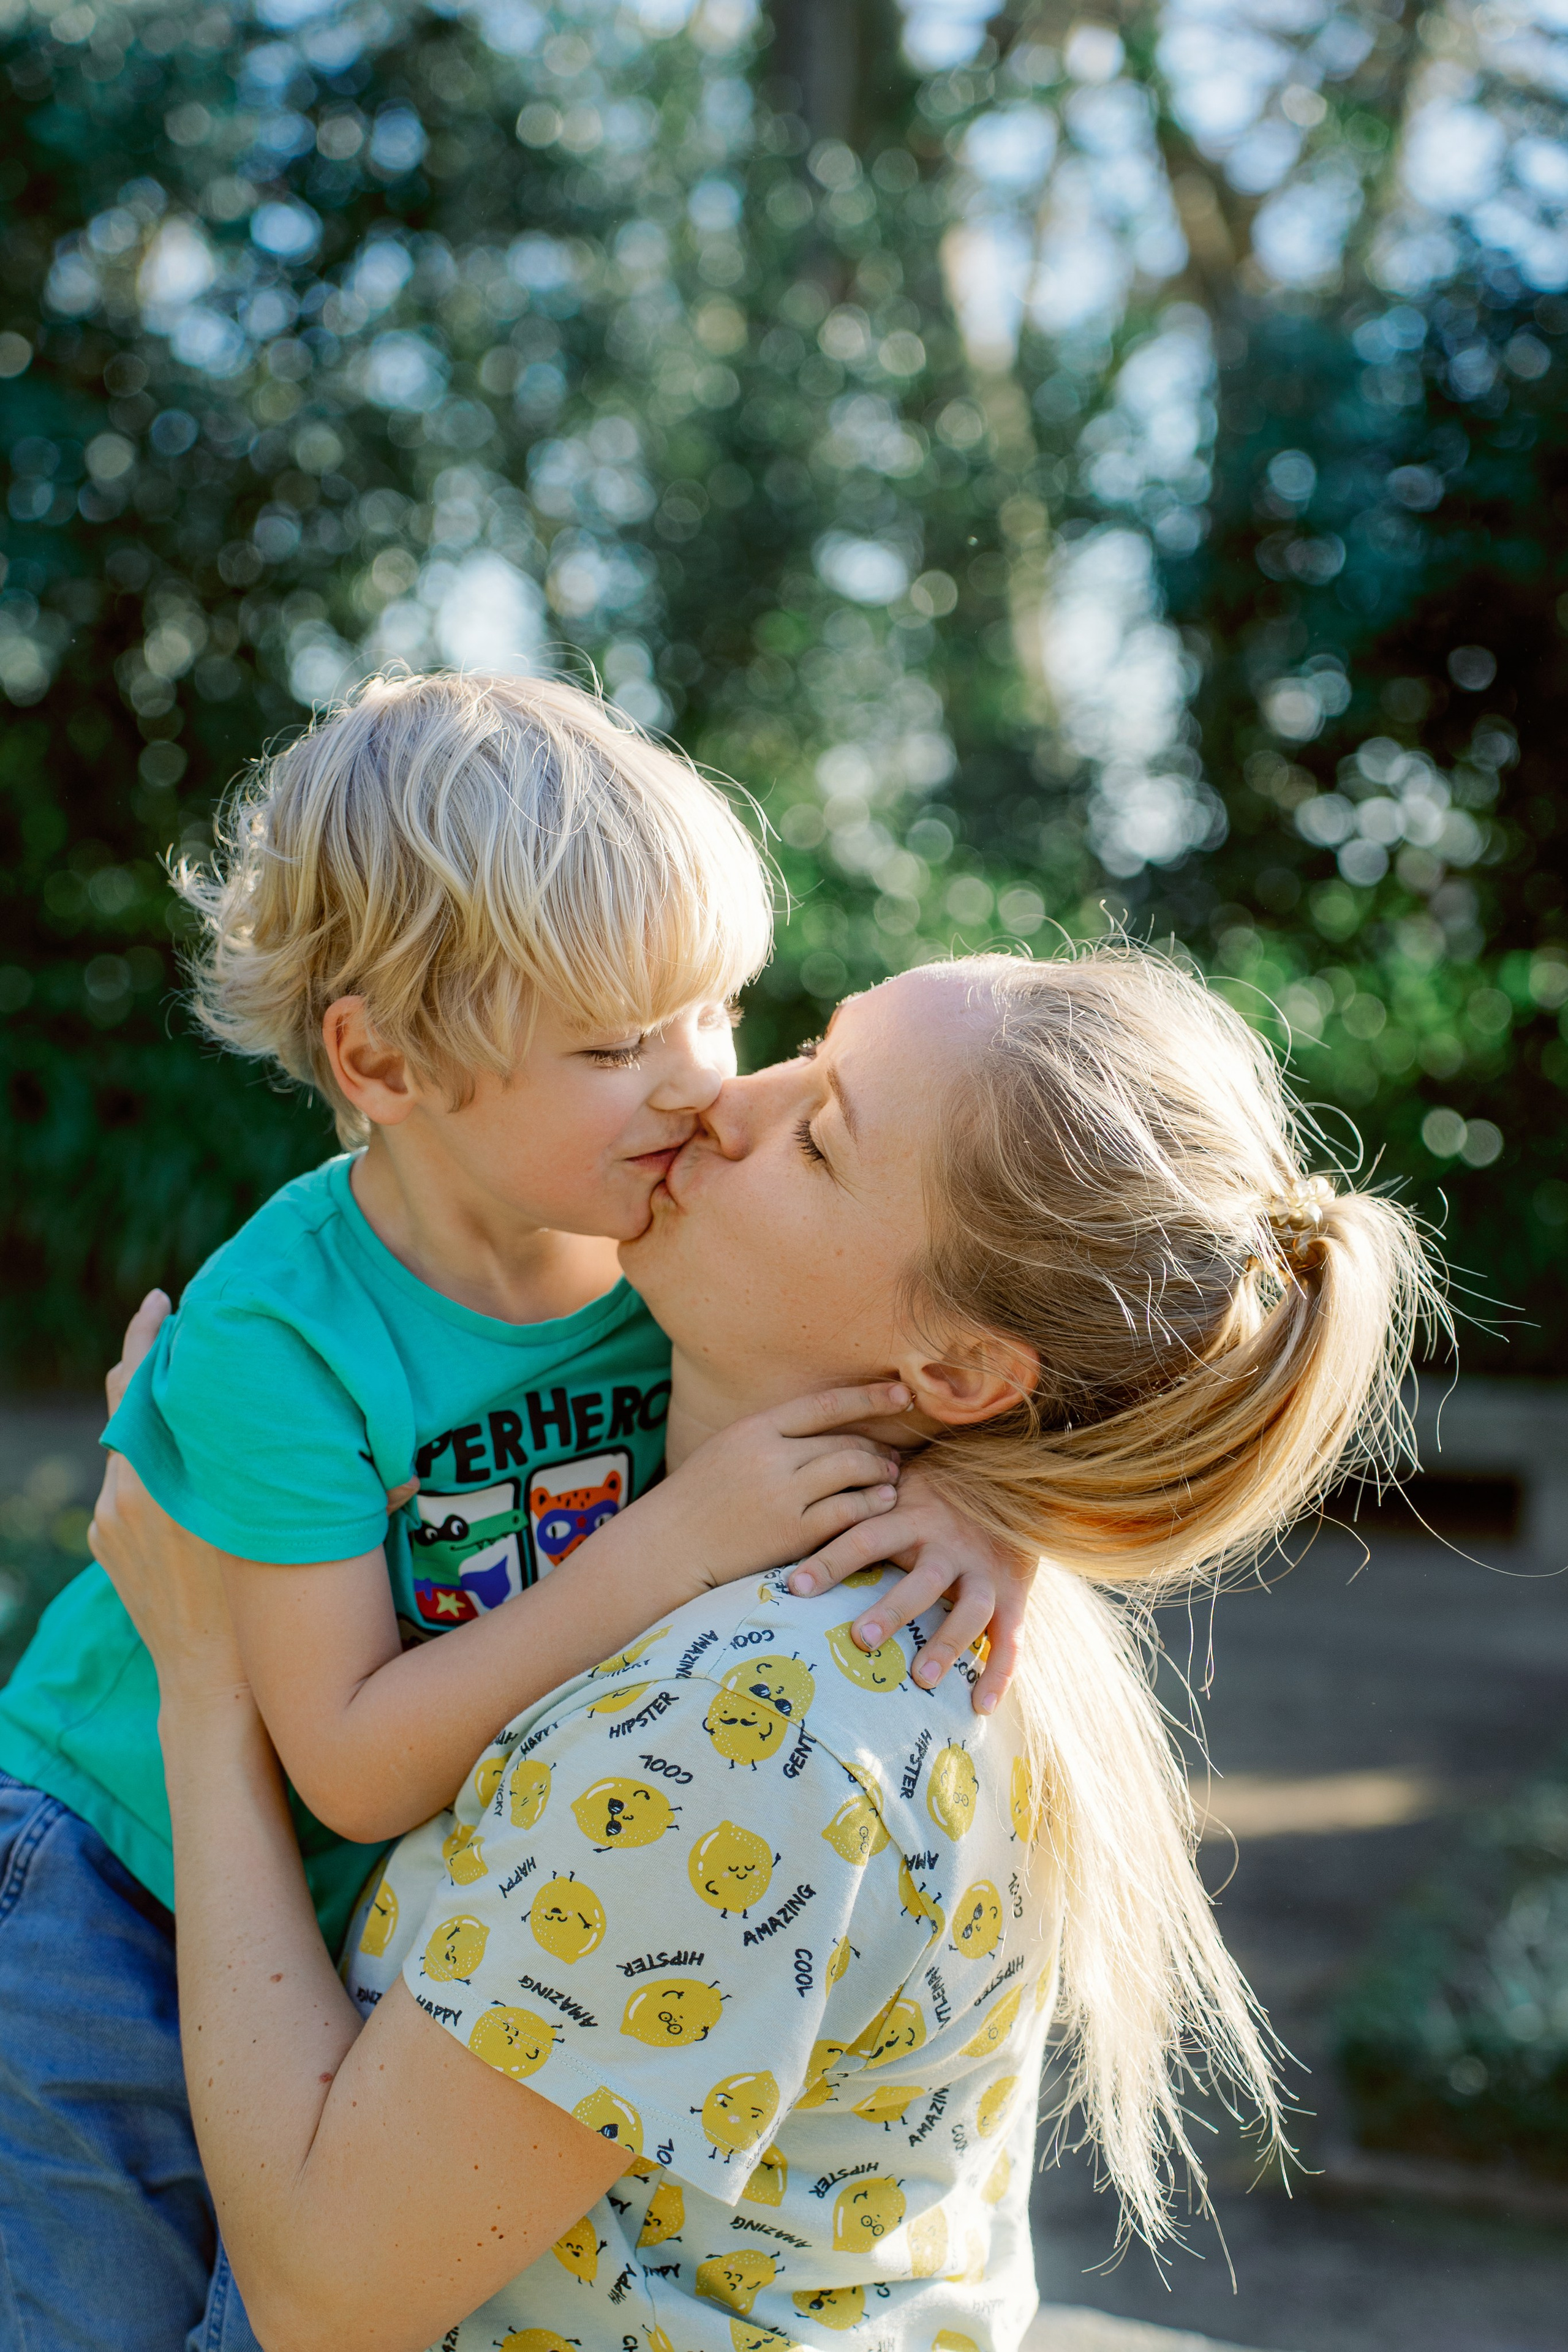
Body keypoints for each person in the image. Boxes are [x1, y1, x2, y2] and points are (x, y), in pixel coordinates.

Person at [89, 944, 1441, 2352]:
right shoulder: (885, 1573)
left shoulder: (745, 1728)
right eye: (801, 1045)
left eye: (818, 1137)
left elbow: (322, 2295)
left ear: (963, 1374)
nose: (722, 1104)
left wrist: (208, 1687)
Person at [0, 673, 1016, 2352]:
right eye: (619, 1045)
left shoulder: (669, 1248)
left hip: (328, 1918)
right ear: (382, 1058)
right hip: (109, 1884)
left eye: (716, 1009)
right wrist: (678, 1546)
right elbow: (348, 1757)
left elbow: (919, 1371)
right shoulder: (282, 1337)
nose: (702, 1086)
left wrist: (990, 1514)